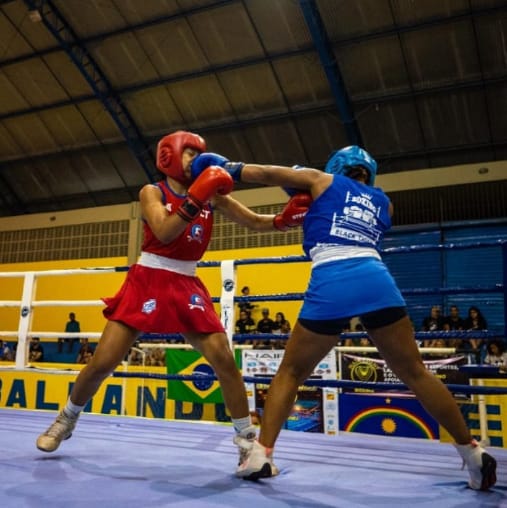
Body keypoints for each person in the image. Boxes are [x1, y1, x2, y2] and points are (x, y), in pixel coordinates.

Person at [190, 145, 497, 490]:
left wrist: (226, 167)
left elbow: (263, 173)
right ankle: (472, 453)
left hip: (333, 276)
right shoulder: (384, 201)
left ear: (337, 166)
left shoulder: (322, 179)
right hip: (377, 278)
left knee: (291, 372)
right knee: (415, 372)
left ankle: (261, 455)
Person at [35, 130, 309, 475]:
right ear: (169, 156)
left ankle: (246, 445)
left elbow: (254, 221)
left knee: (224, 360)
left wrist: (285, 219)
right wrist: (197, 196)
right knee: (103, 362)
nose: (195, 159)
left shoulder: (213, 194)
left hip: (186, 281)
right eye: (188, 152)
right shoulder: (153, 191)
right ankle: (66, 420)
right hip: (148, 277)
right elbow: (164, 231)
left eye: (199, 152)